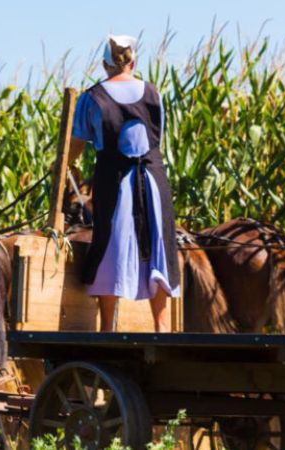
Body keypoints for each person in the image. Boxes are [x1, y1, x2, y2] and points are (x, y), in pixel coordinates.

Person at [69, 35, 180, 332]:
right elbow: (156, 138)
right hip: (153, 181)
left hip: (114, 181)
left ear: (105, 65)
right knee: (158, 245)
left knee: (110, 245)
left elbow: (76, 145)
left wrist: (64, 164)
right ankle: (162, 326)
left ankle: (107, 327)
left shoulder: (91, 98)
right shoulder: (154, 94)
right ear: (133, 62)